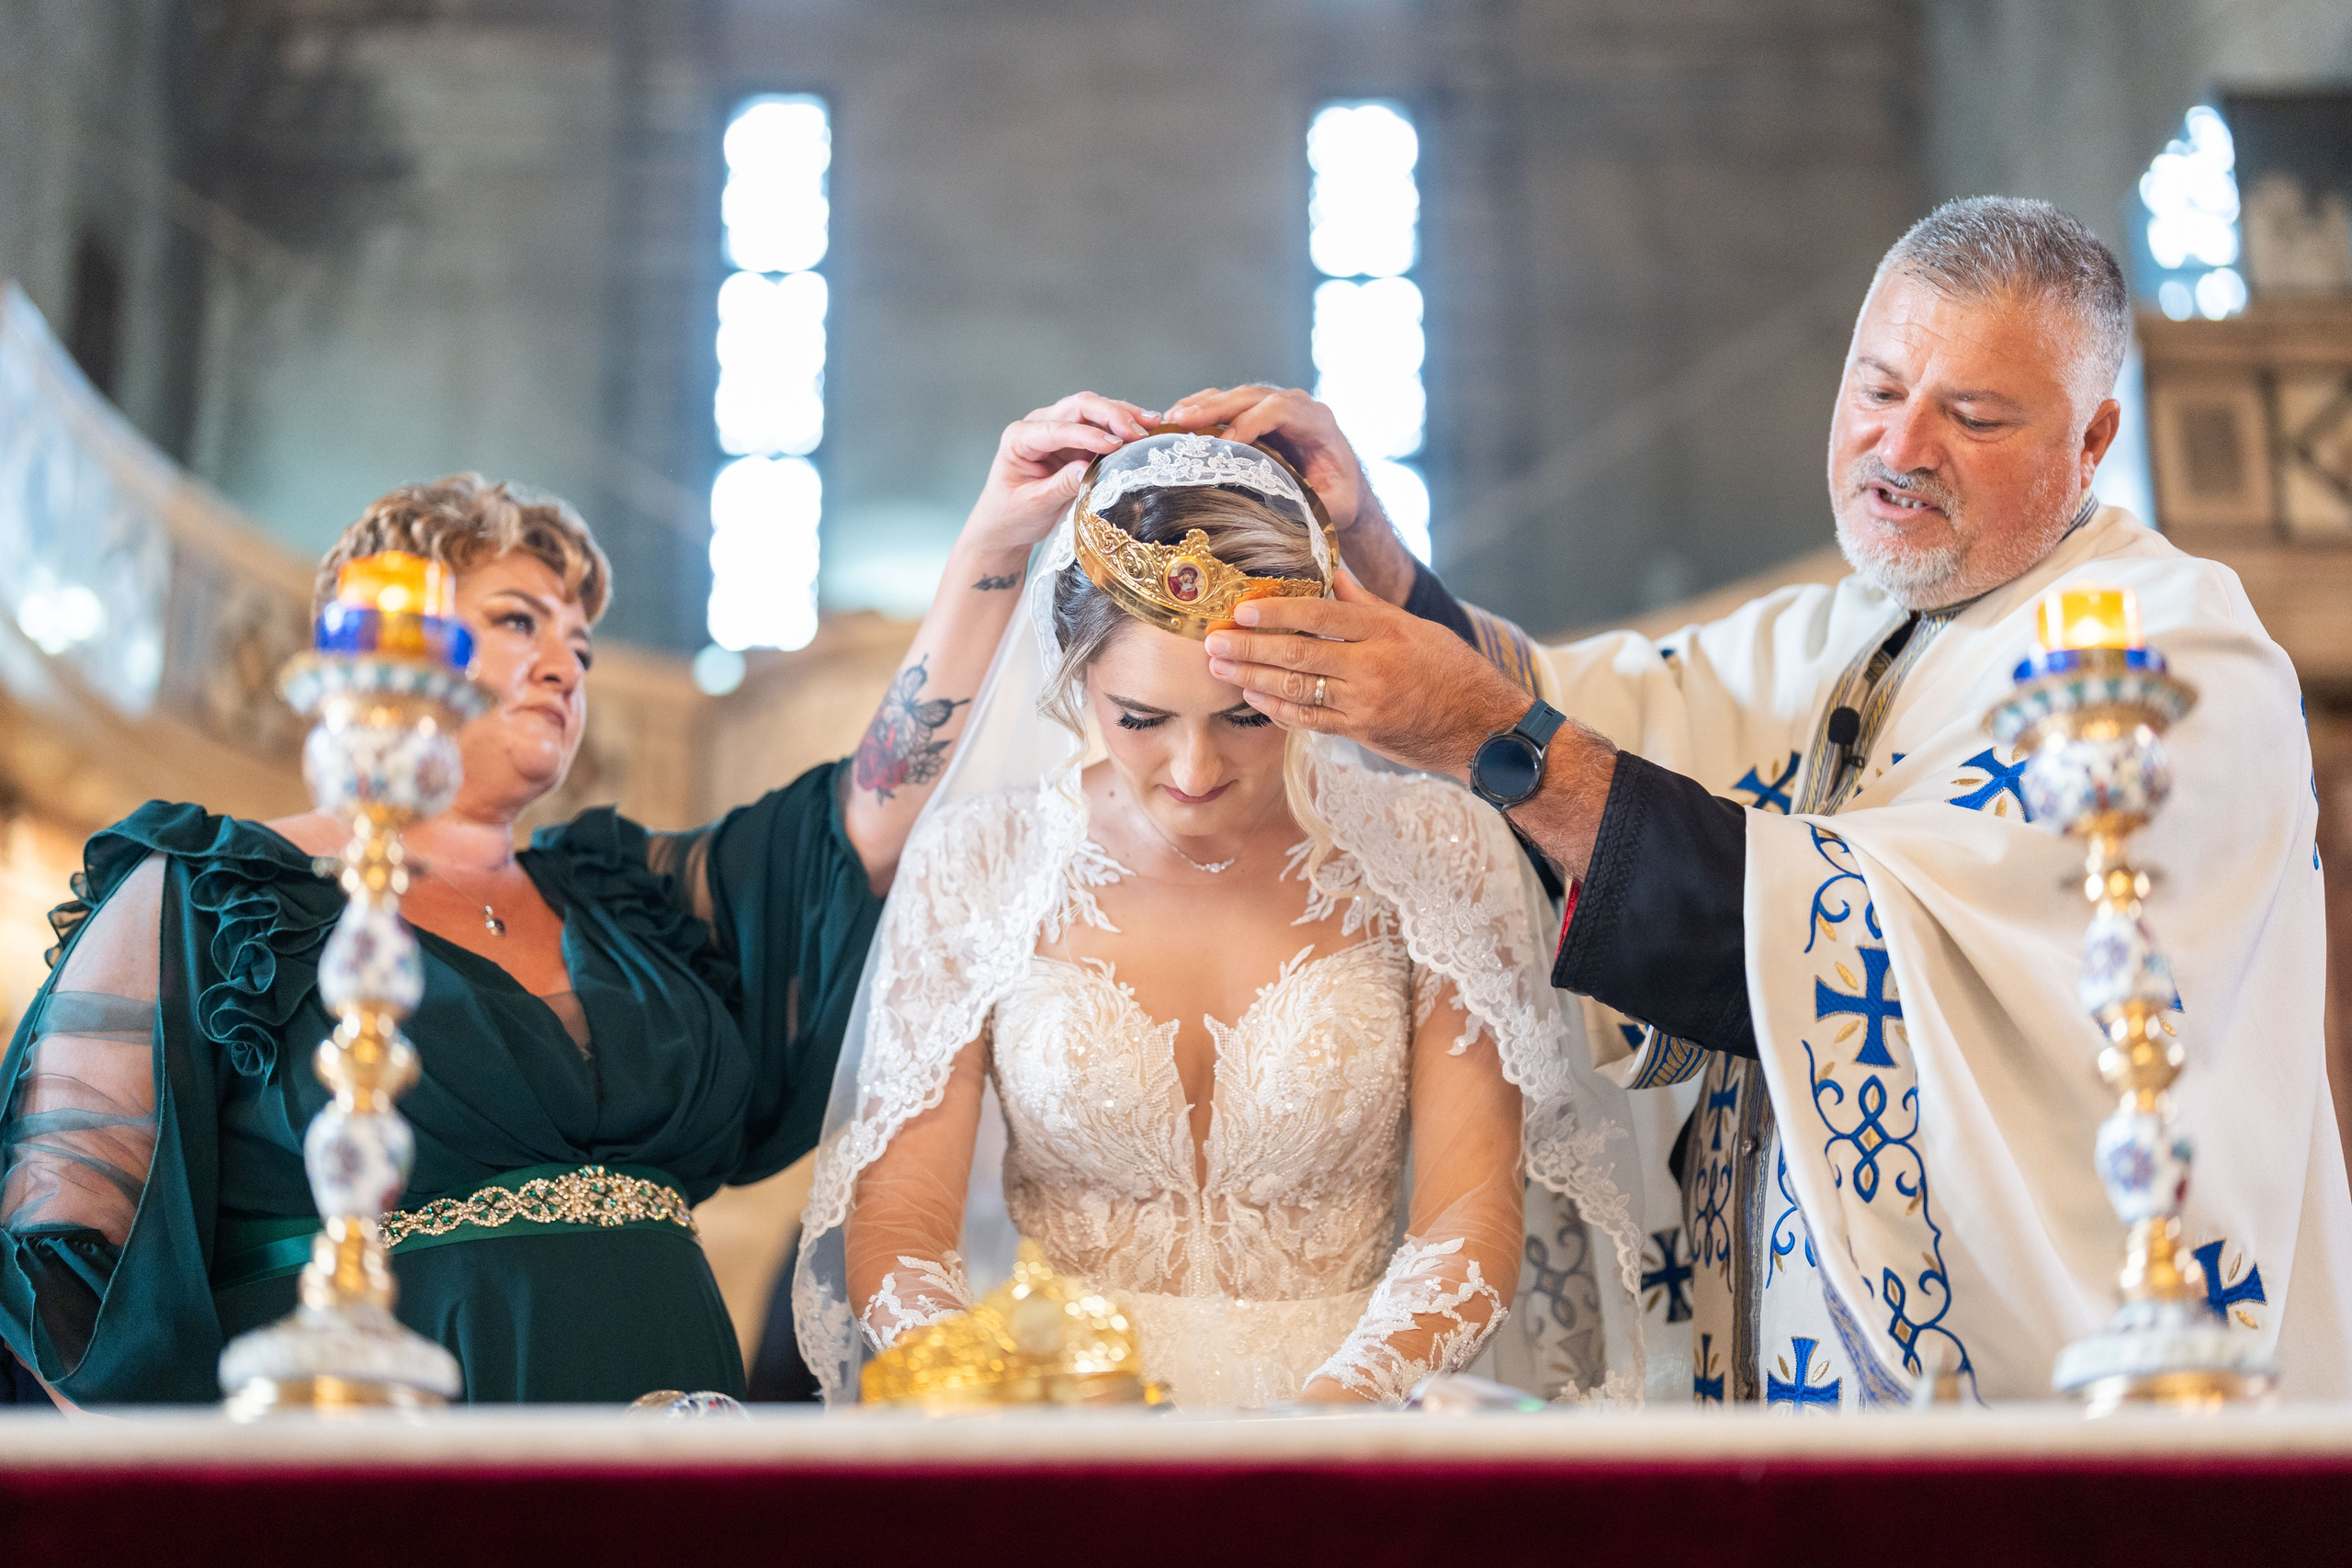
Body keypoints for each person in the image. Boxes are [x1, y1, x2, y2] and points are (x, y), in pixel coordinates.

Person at [1198, 197, 2352, 1404]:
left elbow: (1797, 933)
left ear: (2094, 435)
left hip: (2069, 1417)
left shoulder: (2170, 662)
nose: (1901, 446)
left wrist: (1492, 738)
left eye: (1974, 416)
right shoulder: (1848, 631)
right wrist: (1379, 558)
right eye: (1878, 387)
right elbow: (1596, 734)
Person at [0, 391, 1165, 1406]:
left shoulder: (629, 907)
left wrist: (998, 534)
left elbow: (873, 812)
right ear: (389, 625)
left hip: (671, 1437)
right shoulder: (216, 896)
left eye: (583, 647)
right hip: (368, 1453)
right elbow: (61, 1251)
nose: (564, 665)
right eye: (519, 622)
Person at [792, 428, 1648, 1407]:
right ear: (1072, 686)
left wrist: (1326, 1422)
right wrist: (996, 1399)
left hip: (1343, 1442)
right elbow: (900, 1217)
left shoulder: (1436, 849)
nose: (1194, 773)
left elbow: (1469, 1214)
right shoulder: (978, 862)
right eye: (1141, 718)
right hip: (1063, 1442)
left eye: (1247, 715)